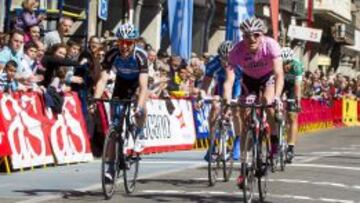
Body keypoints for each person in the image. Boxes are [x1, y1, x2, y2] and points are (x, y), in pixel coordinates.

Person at [224, 17, 284, 188]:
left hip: (267, 79)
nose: (251, 40)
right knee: (245, 123)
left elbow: (279, 74)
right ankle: (243, 168)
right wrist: (227, 99)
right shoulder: (237, 50)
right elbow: (229, 79)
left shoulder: (270, 45)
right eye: (247, 36)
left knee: (268, 102)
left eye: (255, 35)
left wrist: (277, 97)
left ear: (262, 35)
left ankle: (273, 142)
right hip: (249, 80)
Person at [93, 23, 149, 182]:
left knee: (141, 102)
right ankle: (111, 166)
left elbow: (144, 86)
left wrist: (139, 107)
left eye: (128, 42)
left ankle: (139, 132)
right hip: (121, 83)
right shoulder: (112, 53)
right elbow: (103, 79)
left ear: (135, 42)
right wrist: (96, 100)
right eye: (121, 42)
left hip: (137, 84)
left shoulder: (141, 56)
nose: (124, 46)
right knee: (114, 128)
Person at [200, 41, 242, 161]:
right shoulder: (214, 63)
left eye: (228, 58)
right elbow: (206, 83)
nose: (225, 62)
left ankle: (237, 141)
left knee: (237, 111)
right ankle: (212, 144)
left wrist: (239, 99)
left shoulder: (240, 64)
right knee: (214, 108)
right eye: (223, 58)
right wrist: (202, 96)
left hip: (237, 86)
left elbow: (245, 83)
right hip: (221, 85)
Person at [280, 47, 304, 163]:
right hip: (280, 83)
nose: (286, 66)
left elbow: (298, 86)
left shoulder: (296, 66)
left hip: (292, 86)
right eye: (283, 63)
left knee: (292, 116)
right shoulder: (276, 64)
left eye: (288, 63)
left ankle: (290, 147)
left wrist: (298, 101)